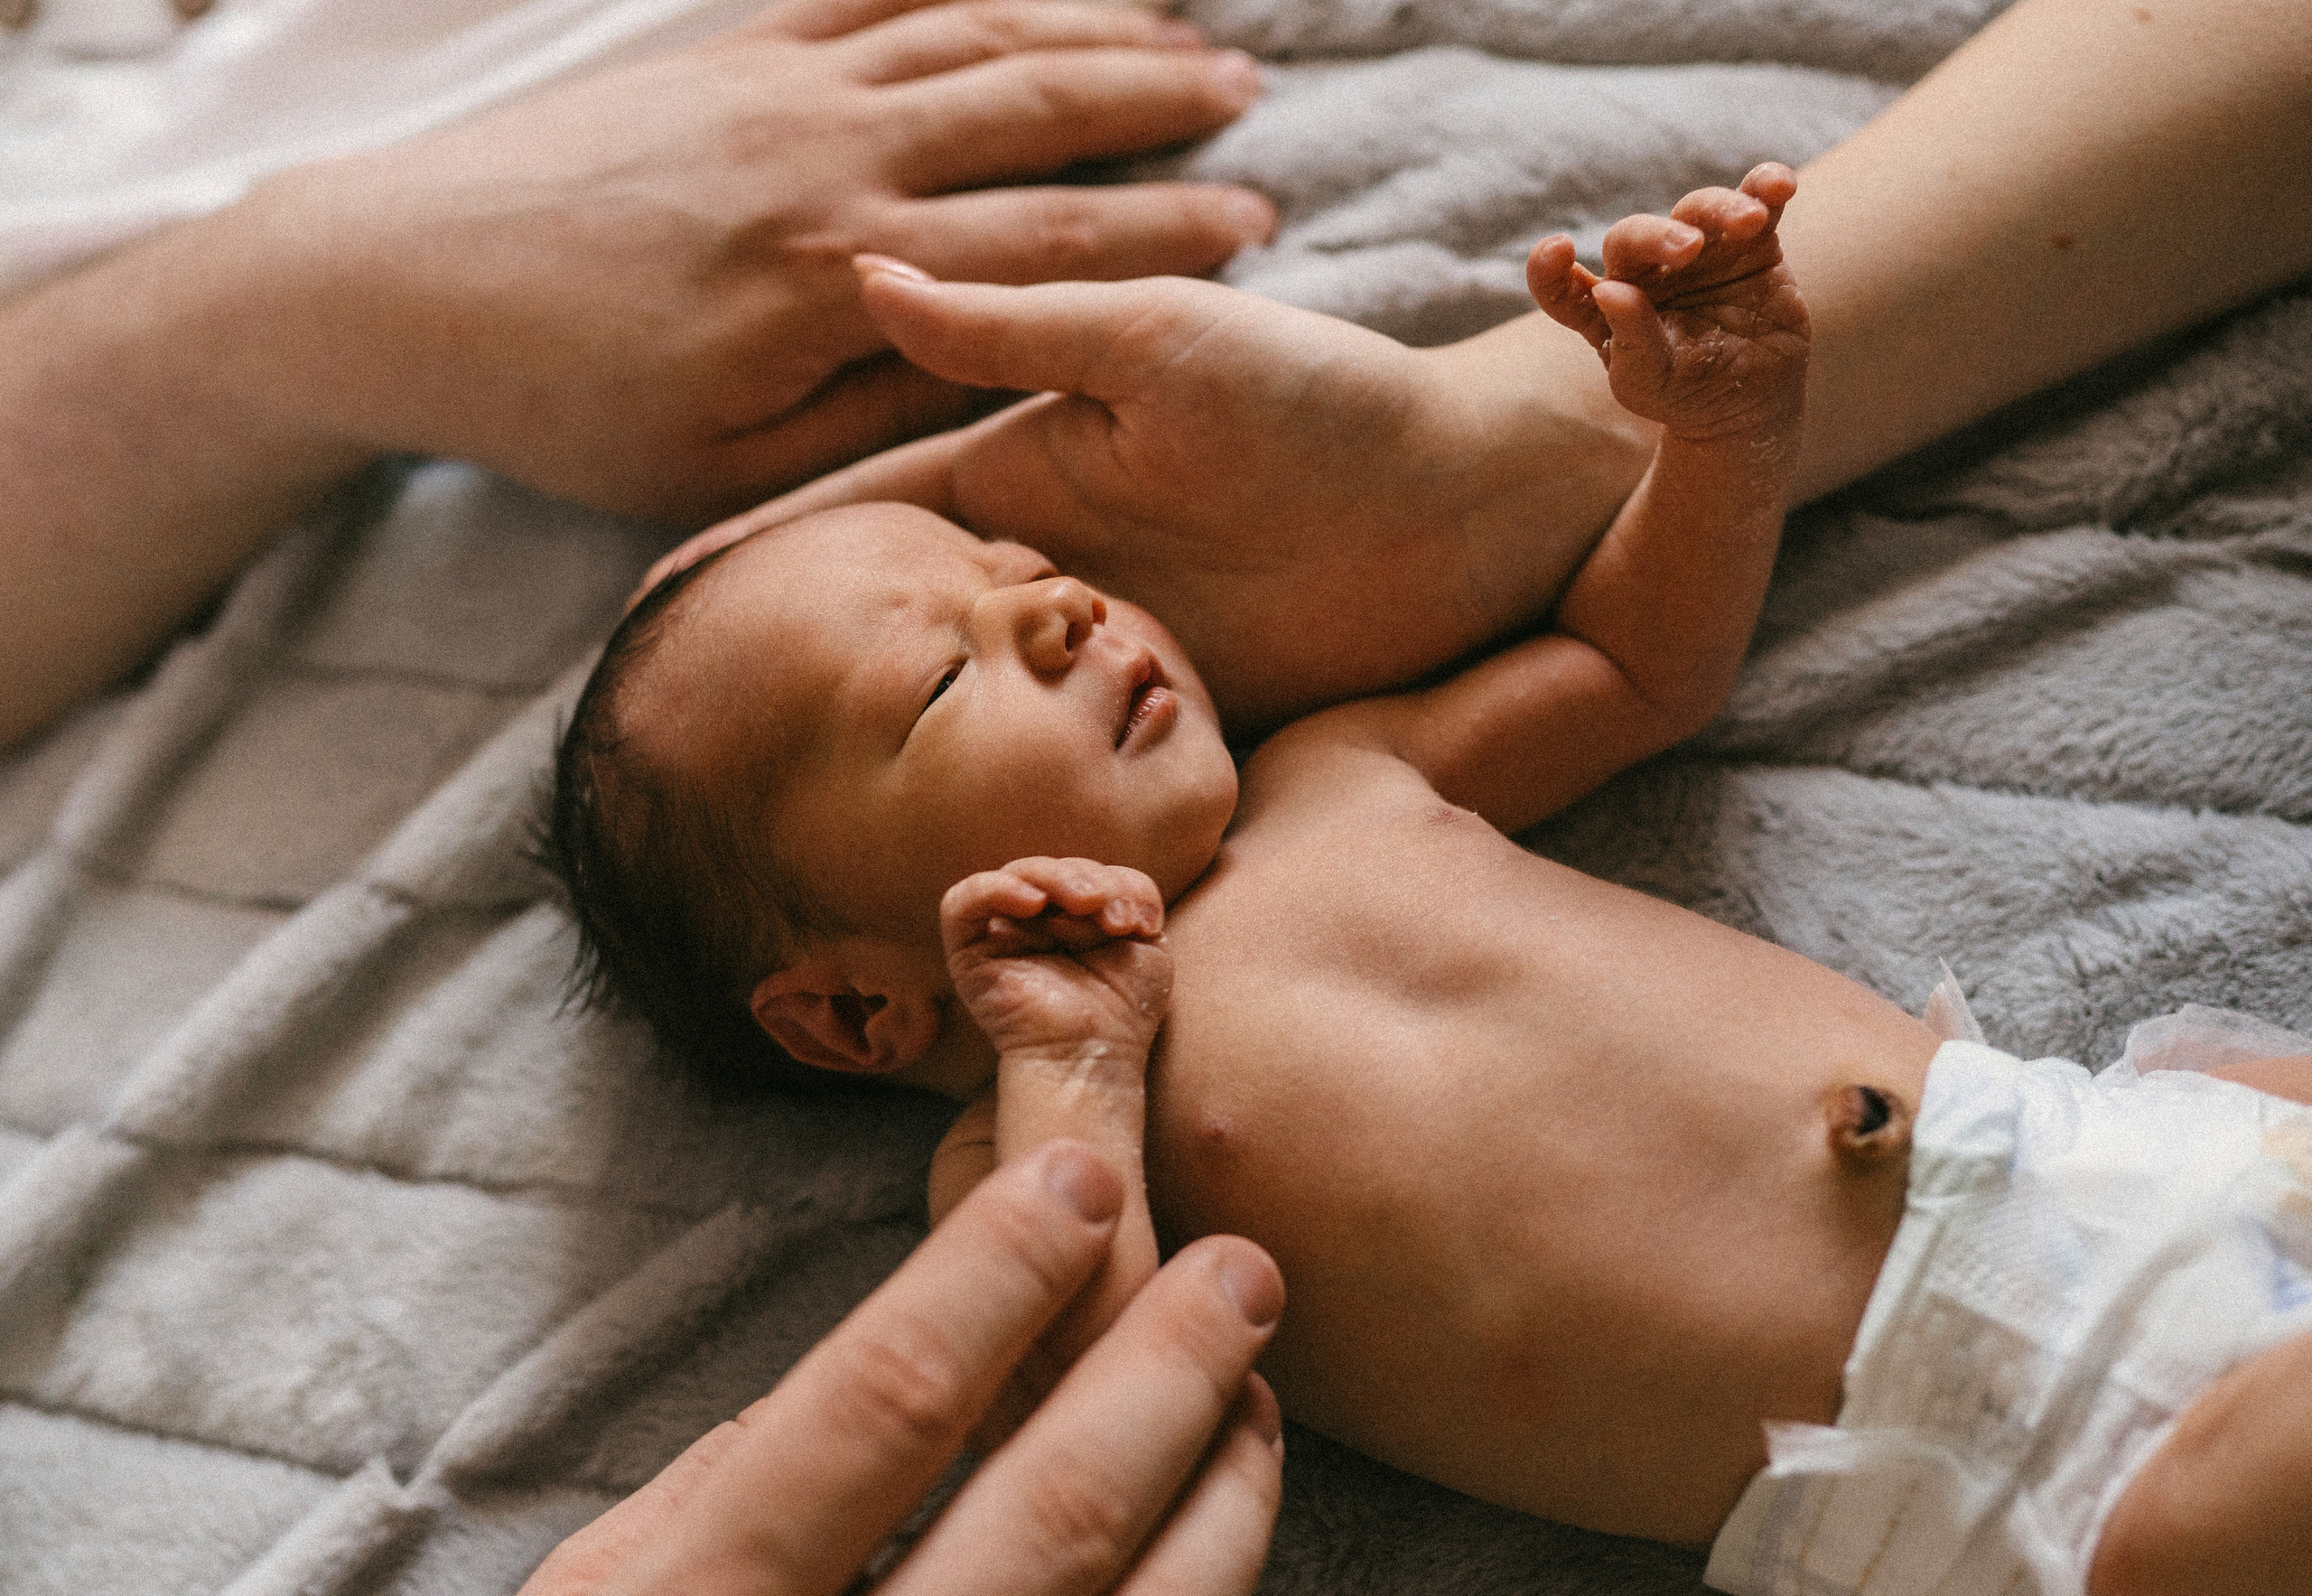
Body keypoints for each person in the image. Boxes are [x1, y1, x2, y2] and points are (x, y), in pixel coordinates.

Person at [545, 158, 2312, 1594]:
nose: (1054, 601)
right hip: (2004, 1460)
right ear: (857, 1001)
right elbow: (1111, 1404)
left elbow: (1634, 674)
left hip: (2100, 1145)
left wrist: (1717, 442)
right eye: (942, 675)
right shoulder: (1036, 1149)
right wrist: (1072, 1058)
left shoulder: (1335, 775)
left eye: (1008, 563)